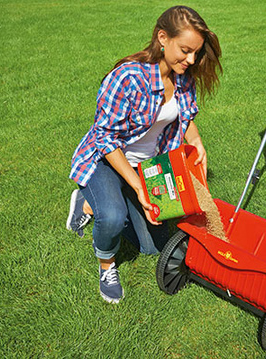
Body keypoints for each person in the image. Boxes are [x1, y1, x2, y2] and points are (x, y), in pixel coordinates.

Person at [66, 6, 222, 303]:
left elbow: (183, 115)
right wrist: (137, 186)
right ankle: (106, 263)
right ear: (163, 38)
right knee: (112, 217)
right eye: (185, 50)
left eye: (195, 53)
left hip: (149, 164)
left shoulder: (182, 76)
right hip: (107, 159)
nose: (190, 60)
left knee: (152, 246)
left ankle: (93, 203)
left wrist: (196, 140)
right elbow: (106, 138)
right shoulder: (127, 77)